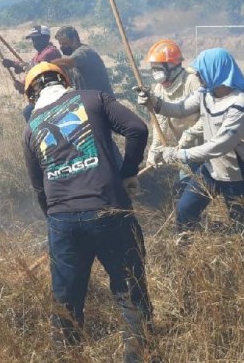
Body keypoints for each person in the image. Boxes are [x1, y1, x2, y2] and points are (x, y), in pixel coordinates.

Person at [22, 62, 152, 362]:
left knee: (66, 302)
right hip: (109, 211)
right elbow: (137, 128)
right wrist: (127, 172)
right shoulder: (94, 98)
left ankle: (67, 356)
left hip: (63, 220)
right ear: (65, 81)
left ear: (31, 96)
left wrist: (58, 220)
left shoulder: (31, 130)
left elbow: (39, 188)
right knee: (129, 292)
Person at [136, 47, 244, 271]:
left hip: (239, 173)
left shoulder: (242, 104)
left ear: (216, 71)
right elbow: (179, 109)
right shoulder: (206, 93)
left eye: (201, 71)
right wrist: (154, 102)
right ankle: (184, 254)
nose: (197, 76)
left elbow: (218, 146)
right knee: (186, 209)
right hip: (210, 170)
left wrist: (179, 153)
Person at [144, 39, 203, 197]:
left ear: (171, 66)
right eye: (153, 69)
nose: (155, 73)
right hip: (185, 152)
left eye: (158, 68)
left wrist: (188, 136)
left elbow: (207, 117)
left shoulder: (192, 81)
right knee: (186, 192)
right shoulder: (159, 89)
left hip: (208, 147)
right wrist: (154, 151)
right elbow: (160, 124)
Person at [2, 25, 62, 119]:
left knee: (28, 112)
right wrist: (23, 85)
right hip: (43, 93)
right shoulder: (39, 54)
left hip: (54, 92)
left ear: (46, 38)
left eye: (37, 39)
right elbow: (31, 69)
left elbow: (36, 69)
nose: (34, 42)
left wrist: (15, 64)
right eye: (33, 39)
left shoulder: (50, 52)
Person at [52, 25, 114, 95]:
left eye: (64, 44)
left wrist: (48, 65)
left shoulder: (84, 52)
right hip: (87, 99)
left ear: (74, 40)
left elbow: (68, 63)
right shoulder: (69, 56)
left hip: (102, 99)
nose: (61, 47)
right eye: (60, 44)